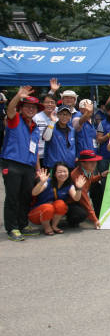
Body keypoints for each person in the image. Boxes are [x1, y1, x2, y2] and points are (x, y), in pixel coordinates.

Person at [2, 87, 43, 241]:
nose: (31, 109)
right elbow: (10, 108)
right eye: (27, 106)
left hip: (29, 166)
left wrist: (38, 170)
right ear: (21, 107)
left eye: (34, 107)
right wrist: (18, 96)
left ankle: (23, 224)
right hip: (12, 163)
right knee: (13, 197)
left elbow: (36, 151)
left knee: (26, 197)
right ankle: (12, 228)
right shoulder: (15, 119)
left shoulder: (35, 128)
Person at [29, 164, 86, 235]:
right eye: (59, 172)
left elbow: (76, 198)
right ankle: (47, 227)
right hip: (37, 214)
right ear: (55, 174)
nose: (62, 174)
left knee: (61, 204)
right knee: (48, 207)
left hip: (50, 213)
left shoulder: (68, 185)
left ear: (68, 173)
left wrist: (79, 189)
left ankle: (54, 226)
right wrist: (41, 182)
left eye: (65, 171)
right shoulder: (48, 182)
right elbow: (34, 193)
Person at [69, 150, 108, 229]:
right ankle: (71, 220)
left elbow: (90, 180)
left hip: (79, 198)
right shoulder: (77, 176)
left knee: (97, 187)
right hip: (71, 202)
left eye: (95, 161)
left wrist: (101, 176)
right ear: (83, 163)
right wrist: (95, 220)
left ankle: (98, 214)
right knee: (81, 214)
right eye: (91, 162)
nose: (94, 164)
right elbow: (84, 199)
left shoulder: (86, 170)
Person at [33, 94, 57, 166]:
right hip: (39, 156)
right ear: (42, 103)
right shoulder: (35, 118)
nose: (50, 104)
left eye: (52, 102)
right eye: (47, 102)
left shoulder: (58, 119)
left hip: (53, 155)